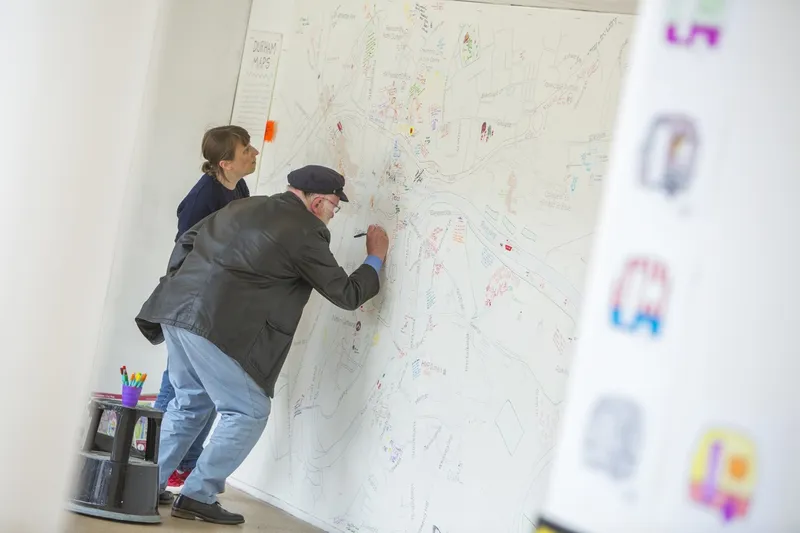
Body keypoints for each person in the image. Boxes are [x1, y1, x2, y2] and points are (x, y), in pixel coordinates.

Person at [135, 165, 390, 525]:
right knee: (249, 411)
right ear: (317, 202)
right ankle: (197, 495)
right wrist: (375, 257)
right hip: (214, 326)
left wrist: (183, 287)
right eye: (335, 206)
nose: (335, 213)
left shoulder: (242, 206)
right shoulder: (305, 231)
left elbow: (186, 242)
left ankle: (145, 487)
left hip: (177, 311)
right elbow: (346, 294)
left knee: (189, 403)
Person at [153, 125, 258, 495]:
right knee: (181, 388)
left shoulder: (239, 188)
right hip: (190, 303)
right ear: (226, 163)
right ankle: (159, 468)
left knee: (193, 389)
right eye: (246, 149)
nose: (255, 152)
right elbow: (189, 253)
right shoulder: (202, 200)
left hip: (215, 303)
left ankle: (175, 467)